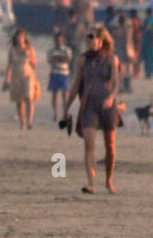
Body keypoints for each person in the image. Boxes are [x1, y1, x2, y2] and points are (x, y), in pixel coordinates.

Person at [63, 26, 123, 194]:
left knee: (110, 146)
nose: (88, 40)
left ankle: (109, 181)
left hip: (108, 107)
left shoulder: (112, 59)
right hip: (89, 107)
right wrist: (66, 107)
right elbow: (76, 84)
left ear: (100, 40)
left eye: (91, 37)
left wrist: (111, 98)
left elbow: (116, 82)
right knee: (89, 144)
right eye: (87, 37)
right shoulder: (83, 60)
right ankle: (91, 182)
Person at [4, 28, 39, 131]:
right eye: (18, 37)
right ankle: (22, 122)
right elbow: (9, 65)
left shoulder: (29, 49)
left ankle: (30, 121)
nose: (20, 39)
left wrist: (29, 56)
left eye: (22, 37)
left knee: (29, 98)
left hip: (28, 75)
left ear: (24, 38)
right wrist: (7, 79)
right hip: (16, 76)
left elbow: (34, 64)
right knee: (19, 101)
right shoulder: (12, 50)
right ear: (15, 38)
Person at [46, 28, 74, 122]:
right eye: (58, 40)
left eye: (61, 40)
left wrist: (58, 58)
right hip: (54, 74)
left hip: (64, 74)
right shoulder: (51, 50)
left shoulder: (66, 49)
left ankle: (65, 113)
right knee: (55, 96)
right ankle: (56, 113)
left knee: (65, 96)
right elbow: (51, 60)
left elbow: (68, 59)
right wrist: (61, 58)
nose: (59, 41)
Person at [140, 8, 153, 79]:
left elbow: (148, 28)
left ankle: (149, 74)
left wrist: (143, 29)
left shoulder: (148, 20)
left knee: (149, 59)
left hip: (149, 42)